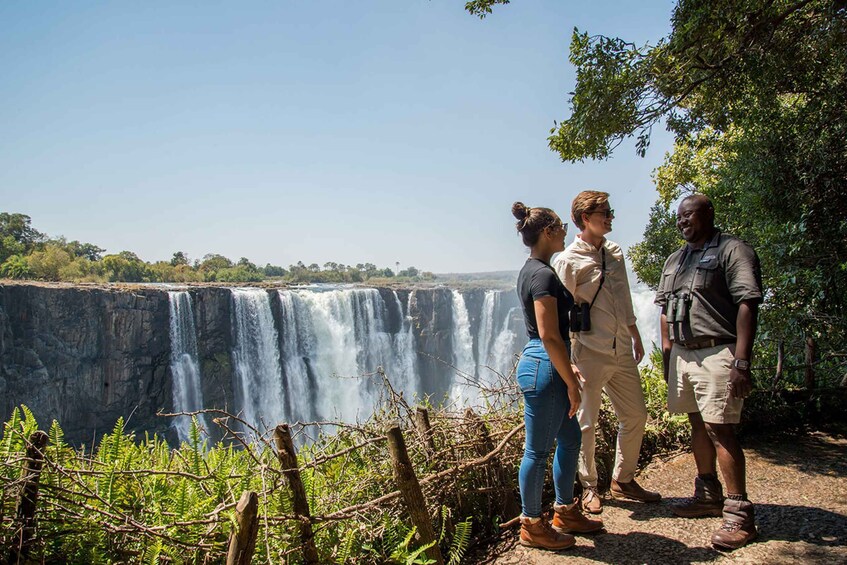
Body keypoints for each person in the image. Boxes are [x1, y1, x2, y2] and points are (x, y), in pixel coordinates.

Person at [655, 194, 762, 549]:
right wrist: (667, 354)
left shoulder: (733, 251)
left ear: (709, 214)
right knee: (697, 422)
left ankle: (739, 515)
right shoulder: (675, 259)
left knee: (721, 428)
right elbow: (665, 312)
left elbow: (747, 303)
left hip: (718, 350)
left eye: (690, 215)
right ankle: (707, 494)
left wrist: (741, 361)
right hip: (684, 355)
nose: (683, 221)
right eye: (679, 217)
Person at [553, 191, 661, 514]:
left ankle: (623, 479)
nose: (611, 217)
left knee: (636, 415)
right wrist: (568, 361)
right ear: (585, 219)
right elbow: (559, 313)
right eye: (605, 213)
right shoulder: (568, 260)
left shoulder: (615, 253)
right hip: (588, 352)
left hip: (621, 350)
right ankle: (589, 488)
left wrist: (635, 333)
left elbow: (623, 297)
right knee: (586, 423)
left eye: (610, 211)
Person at [509, 201, 603, 551]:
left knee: (570, 439)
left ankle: (564, 511)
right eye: (562, 225)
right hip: (545, 365)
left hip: (548, 361)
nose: (566, 230)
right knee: (536, 451)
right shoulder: (543, 275)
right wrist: (570, 381)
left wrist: (568, 365)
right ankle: (532, 524)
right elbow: (549, 334)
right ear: (547, 231)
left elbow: (551, 337)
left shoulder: (532, 270)